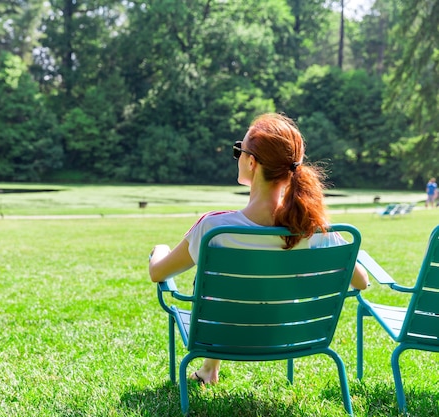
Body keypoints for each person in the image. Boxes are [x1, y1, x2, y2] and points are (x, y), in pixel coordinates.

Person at [148, 113, 369, 385]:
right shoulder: (313, 229)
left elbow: (158, 273)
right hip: (289, 335)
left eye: (238, 150)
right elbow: (362, 281)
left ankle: (208, 368)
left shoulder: (215, 229)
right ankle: (209, 370)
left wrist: (159, 248)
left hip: (220, 337)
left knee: (225, 299)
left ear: (251, 162)